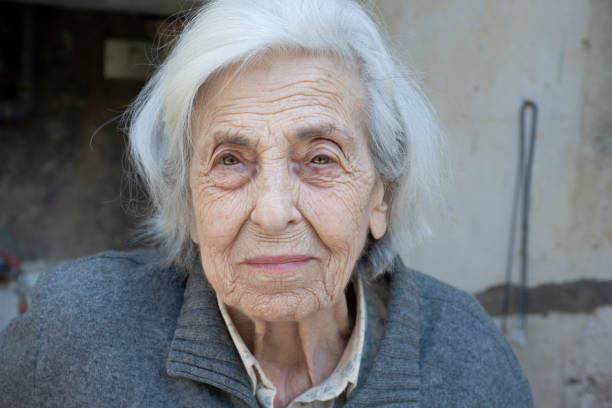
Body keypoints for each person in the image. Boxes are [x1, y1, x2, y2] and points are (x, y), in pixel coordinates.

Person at [0, 0, 533, 407]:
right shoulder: (76, 330)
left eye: (320, 159)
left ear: (381, 195)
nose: (273, 213)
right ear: (188, 197)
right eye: (231, 160)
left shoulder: (470, 360)